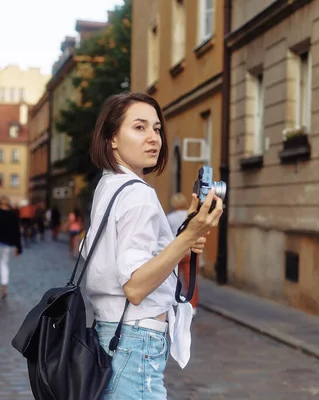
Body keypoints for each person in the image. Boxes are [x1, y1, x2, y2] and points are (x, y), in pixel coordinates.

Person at [81, 92, 223, 399]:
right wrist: (187, 236)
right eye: (139, 127)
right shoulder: (138, 194)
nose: (153, 138)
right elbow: (135, 286)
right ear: (112, 138)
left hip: (111, 332)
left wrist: (181, 240)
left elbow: (128, 262)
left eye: (157, 129)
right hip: (135, 341)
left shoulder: (109, 185)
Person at [166, 192, 199, 316]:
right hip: (191, 251)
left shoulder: (170, 218)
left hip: (177, 251)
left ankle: (173, 302)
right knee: (191, 280)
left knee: (174, 278)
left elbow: (168, 236)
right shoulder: (191, 215)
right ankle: (193, 305)